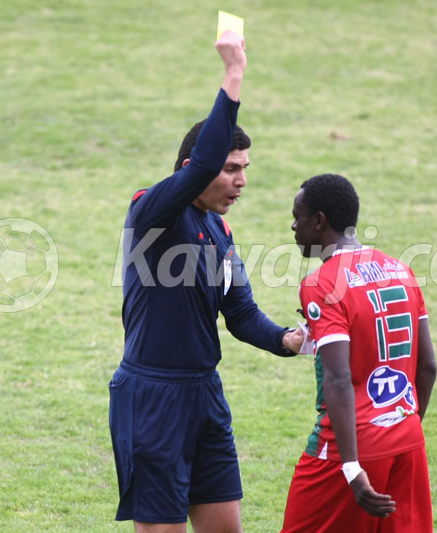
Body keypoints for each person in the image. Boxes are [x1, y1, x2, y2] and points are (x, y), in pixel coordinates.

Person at [109, 31, 304, 533]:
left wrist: (288, 340)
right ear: (190, 171)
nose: (241, 180)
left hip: (205, 396)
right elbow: (201, 164)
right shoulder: (151, 212)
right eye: (230, 168)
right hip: (154, 398)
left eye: (245, 169)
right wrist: (233, 74)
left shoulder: (220, 231)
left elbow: (240, 314)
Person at [281, 174, 437, 533]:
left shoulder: (321, 283)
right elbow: (427, 367)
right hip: (407, 437)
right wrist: (405, 428)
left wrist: (351, 467)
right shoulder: (401, 270)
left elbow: (337, 379)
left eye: (297, 216)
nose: (293, 225)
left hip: (347, 448)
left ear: (319, 221)